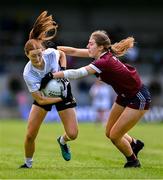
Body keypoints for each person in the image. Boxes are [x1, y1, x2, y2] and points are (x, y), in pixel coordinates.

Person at [47, 30, 151, 168]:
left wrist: (53, 75)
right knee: (109, 132)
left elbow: (78, 73)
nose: (87, 46)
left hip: (138, 97)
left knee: (115, 136)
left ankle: (133, 161)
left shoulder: (104, 61)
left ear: (101, 47)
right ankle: (134, 144)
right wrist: (53, 49)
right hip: (124, 95)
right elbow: (74, 51)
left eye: (91, 43)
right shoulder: (99, 55)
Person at [20, 11, 78, 168]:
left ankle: (62, 141)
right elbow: (40, 99)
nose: (38, 59)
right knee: (30, 134)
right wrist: (61, 99)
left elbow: (62, 55)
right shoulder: (28, 73)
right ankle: (28, 163)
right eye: (33, 57)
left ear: (42, 51)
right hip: (44, 95)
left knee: (73, 134)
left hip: (62, 88)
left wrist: (63, 73)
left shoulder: (50, 53)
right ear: (27, 55)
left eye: (39, 55)